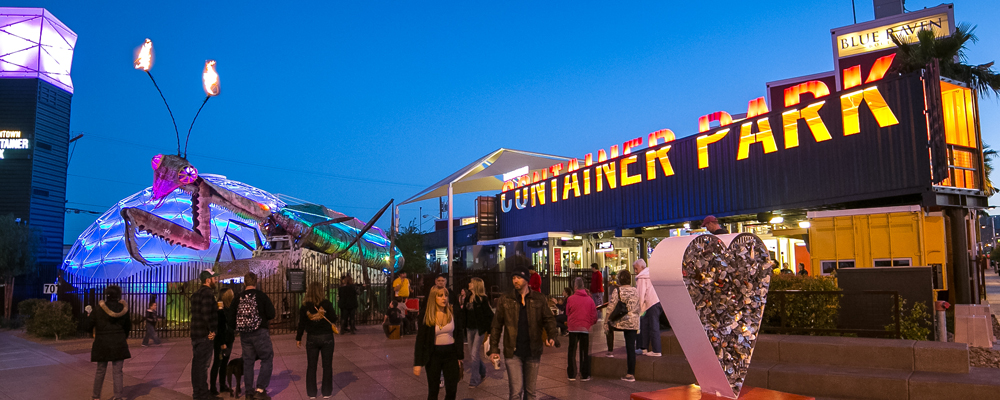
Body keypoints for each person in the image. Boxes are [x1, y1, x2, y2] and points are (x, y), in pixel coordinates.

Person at [489, 264, 559, 400]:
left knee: (530, 392)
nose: (515, 280)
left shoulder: (538, 298)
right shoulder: (505, 299)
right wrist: (494, 349)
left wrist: (552, 335)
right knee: (516, 391)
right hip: (513, 352)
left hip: (533, 351)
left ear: (526, 279)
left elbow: (549, 319)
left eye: (519, 277)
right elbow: (496, 325)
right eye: (513, 278)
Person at [414, 286, 465, 400]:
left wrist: (459, 356)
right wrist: (417, 363)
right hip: (433, 355)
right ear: (433, 298)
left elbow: (459, 334)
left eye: (446, 295)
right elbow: (420, 339)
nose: (444, 298)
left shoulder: (453, 312)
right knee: (433, 390)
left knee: (452, 389)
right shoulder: (426, 315)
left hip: (451, 354)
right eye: (440, 295)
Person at [234, 271, 277, 400]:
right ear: (256, 282)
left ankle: (248, 392)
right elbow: (272, 313)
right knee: (267, 358)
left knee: (248, 362)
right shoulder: (261, 296)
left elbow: (230, 316)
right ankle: (260, 389)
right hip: (260, 332)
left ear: (244, 282)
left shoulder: (238, 297)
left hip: (245, 334)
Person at [89, 284, 131, 400]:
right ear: (118, 295)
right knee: (118, 372)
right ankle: (118, 397)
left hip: (102, 343)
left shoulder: (98, 309)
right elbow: (128, 326)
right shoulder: (124, 309)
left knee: (100, 370)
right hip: (119, 343)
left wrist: (92, 333)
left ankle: (96, 396)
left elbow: (88, 324)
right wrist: (123, 336)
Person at [297, 281, 337, 400]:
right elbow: (334, 318)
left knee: (311, 366)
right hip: (327, 337)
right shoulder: (327, 304)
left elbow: (301, 324)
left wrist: (298, 338)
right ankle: (326, 392)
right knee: (327, 365)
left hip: (312, 338)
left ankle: (312, 393)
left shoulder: (305, 306)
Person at [191, 269, 220, 400]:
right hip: (204, 335)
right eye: (214, 278)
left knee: (196, 365)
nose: (216, 280)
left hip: (196, 334)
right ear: (208, 280)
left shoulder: (196, 294)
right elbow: (206, 313)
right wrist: (212, 330)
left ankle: (197, 393)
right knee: (203, 366)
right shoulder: (208, 294)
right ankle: (203, 394)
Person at [606, 270, 639, 382]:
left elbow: (611, 306)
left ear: (620, 279)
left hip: (621, 322)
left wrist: (606, 320)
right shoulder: (635, 290)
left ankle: (610, 351)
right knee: (631, 348)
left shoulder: (618, 290)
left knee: (609, 327)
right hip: (633, 322)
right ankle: (631, 374)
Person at [463, 277, 494, 388]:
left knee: (474, 354)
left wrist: (490, 331)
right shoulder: (467, 298)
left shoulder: (482, 299)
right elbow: (464, 314)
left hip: (479, 329)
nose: (469, 284)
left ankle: (474, 380)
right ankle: (482, 370)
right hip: (469, 328)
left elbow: (490, 315)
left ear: (476, 285)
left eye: (471, 282)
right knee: (473, 354)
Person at [566, 277, 597, 381]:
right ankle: (584, 374)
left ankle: (571, 374)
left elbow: (567, 312)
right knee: (584, 351)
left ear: (575, 286)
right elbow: (594, 315)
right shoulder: (590, 299)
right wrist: (589, 324)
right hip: (585, 328)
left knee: (572, 350)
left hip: (573, 328)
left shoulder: (570, 299)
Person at [210, 288, 236, 396]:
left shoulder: (229, 308)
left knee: (224, 363)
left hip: (228, 339)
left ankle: (222, 384)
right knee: (217, 362)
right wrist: (222, 343)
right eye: (231, 294)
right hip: (221, 340)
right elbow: (220, 327)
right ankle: (212, 387)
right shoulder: (220, 310)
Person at [634, 259, 663, 357]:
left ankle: (656, 350)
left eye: (636, 268)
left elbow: (640, 295)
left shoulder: (642, 278)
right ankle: (644, 348)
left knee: (651, 326)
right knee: (646, 325)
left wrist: (639, 309)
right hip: (657, 301)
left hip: (650, 303)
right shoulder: (651, 274)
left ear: (642, 268)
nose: (635, 271)